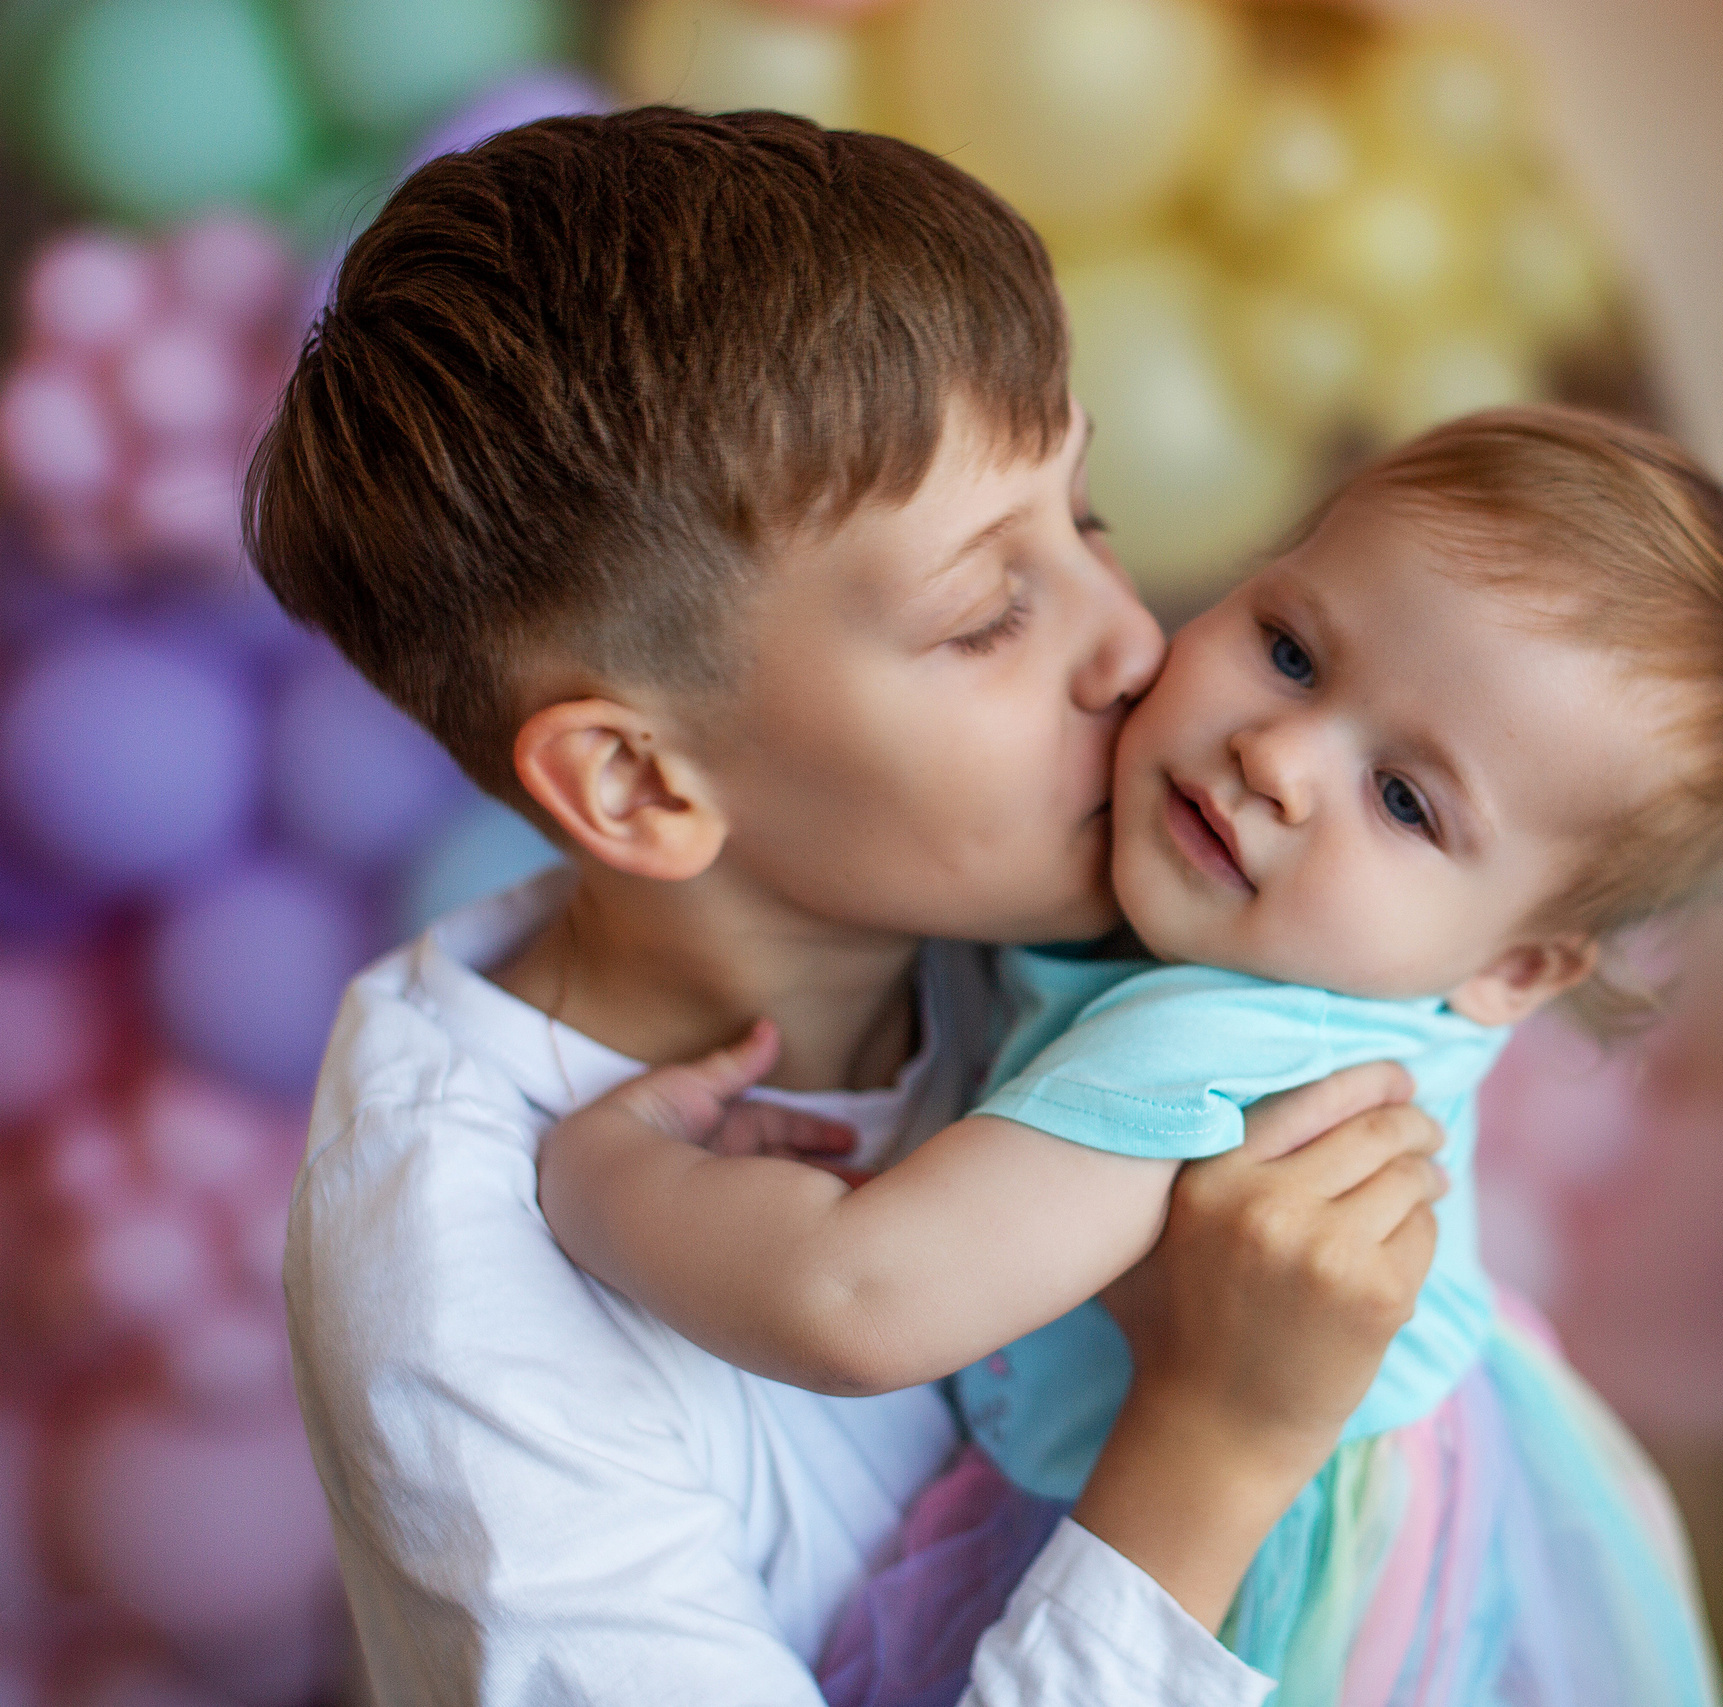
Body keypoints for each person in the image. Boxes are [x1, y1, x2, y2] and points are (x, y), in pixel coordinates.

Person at [251, 107, 1450, 1707]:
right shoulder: (456, 1293)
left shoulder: (1058, 897)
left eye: (1086, 521)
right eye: (985, 617)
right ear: (642, 789)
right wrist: (1214, 1445)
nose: (1134, 647)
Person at [540, 406, 1723, 1705]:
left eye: (1403, 800)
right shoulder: (1261, 942)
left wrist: (602, 1176)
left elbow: (855, 1301)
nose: (1276, 758)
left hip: (1254, 1602)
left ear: (1516, 971)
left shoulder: (1229, 1042)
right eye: (1289, 649)